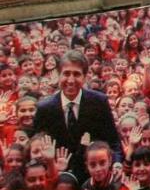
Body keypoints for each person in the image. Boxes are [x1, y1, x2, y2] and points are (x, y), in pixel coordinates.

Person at [32, 49, 122, 182]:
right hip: (59, 180)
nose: (71, 80)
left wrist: (117, 163)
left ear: (85, 77)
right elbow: (37, 149)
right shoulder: (45, 108)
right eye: (66, 74)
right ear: (58, 75)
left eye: (76, 74)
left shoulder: (99, 102)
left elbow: (113, 141)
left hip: (94, 177)